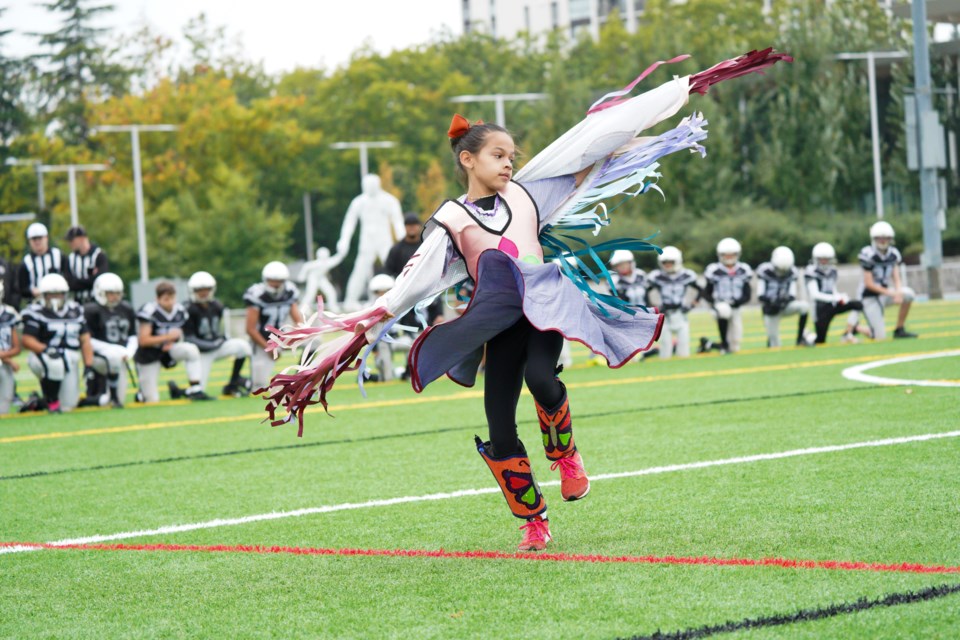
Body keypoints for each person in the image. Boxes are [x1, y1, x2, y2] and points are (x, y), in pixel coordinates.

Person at [258, 49, 791, 551]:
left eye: (513, 155)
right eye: (497, 155)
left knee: (543, 377)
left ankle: (565, 456)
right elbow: (411, 283)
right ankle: (535, 523)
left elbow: (588, 148)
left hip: (545, 304)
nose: (509, 163)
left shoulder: (528, 193)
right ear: (468, 160)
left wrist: (675, 93)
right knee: (498, 423)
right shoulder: (450, 219)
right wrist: (365, 326)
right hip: (495, 320)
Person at [21, 274, 93, 413]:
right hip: (42, 355)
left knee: (68, 405)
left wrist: (88, 365)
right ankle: (52, 401)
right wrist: (46, 349)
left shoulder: (75, 310)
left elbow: (85, 339)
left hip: (70, 356)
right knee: (55, 363)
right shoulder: (35, 311)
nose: (56, 297)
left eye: (59, 294)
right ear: (44, 295)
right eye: (51, 294)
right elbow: (27, 340)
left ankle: (37, 402)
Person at [134, 280, 211, 402]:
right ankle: (141, 394)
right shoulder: (149, 310)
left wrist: (173, 342)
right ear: (158, 299)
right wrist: (166, 338)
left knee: (191, 349)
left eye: (172, 298)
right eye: (166, 299)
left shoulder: (180, 311)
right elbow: (143, 340)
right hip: (149, 354)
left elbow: (181, 334)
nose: (170, 302)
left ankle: (195, 388)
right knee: (152, 399)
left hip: (169, 350)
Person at [336, 174, 405, 307]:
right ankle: (351, 300)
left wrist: (402, 238)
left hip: (384, 239)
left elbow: (397, 220)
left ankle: (400, 295)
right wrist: (344, 240)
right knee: (360, 270)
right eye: (366, 187)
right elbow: (349, 222)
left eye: (371, 186)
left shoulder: (389, 200)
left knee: (393, 269)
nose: (369, 189)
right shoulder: (359, 202)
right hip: (367, 240)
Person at [181, 271, 253, 397]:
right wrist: (214, 343)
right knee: (198, 389)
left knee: (243, 347)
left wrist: (220, 339)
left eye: (206, 289)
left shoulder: (217, 306)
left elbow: (219, 331)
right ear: (193, 290)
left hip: (216, 346)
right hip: (200, 353)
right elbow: (189, 337)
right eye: (199, 289)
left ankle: (233, 382)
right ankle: (178, 391)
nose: (203, 292)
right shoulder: (188, 308)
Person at [244, 261, 304, 391]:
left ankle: (301, 378)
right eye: (272, 280)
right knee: (258, 388)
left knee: (313, 341)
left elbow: (298, 321)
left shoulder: (289, 291)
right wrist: (268, 347)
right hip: (263, 341)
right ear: (265, 279)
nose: (275, 284)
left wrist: (295, 337)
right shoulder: (256, 294)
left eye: (279, 280)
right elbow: (250, 329)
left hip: (282, 335)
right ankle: (245, 382)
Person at [84, 273, 137, 408]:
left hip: (121, 357)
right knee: (113, 356)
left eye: (117, 293)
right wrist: (115, 350)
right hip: (99, 357)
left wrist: (128, 352)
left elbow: (133, 335)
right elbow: (87, 339)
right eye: (110, 293)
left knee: (119, 398)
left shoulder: (126, 308)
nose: (115, 297)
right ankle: (111, 397)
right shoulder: (91, 310)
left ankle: (91, 401)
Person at [857, 221, 917, 340]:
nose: (883, 241)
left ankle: (899, 329)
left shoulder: (893, 254)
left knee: (908, 294)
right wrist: (891, 293)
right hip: (869, 298)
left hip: (884, 295)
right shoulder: (867, 253)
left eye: (885, 238)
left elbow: (896, 277)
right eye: (879, 238)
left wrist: (898, 292)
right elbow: (868, 284)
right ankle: (857, 328)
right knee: (880, 337)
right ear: (874, 238)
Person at [805, 242, 866, 344]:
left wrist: (840, 297)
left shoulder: (833, 271)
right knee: (820, 341)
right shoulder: (811, 271)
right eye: (821, 259)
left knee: (857, 305)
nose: (824, 262)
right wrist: (835, 298)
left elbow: (833, 289)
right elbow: (814, 295)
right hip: (820, 309)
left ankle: (848, 332)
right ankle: (807, 336)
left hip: (832, 305)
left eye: (826, 259)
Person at [645, 246, 699, 359]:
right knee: (665, 347)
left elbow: (700, 291)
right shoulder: (656, 276)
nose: (667, 265)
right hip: (665, 314)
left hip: (680, 313)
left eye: (670, 262)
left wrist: (692, 305)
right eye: (665, 262)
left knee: (684, 347)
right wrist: (654, 307)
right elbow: (647, 293)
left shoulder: (687, 275)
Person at [702, 237, 753, 353]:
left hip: (736, 307)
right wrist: (714, 303)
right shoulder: (713, 270)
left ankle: (708, 344)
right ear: (720, 255)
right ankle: (723, 344)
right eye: (726, 255)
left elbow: (748, 293)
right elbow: (706, 292)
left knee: (735, 344)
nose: (729, 258)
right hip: (720, 306)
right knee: (724, 310)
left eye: (732, 255)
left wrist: (738, 302)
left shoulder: (744, 269)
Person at [756, 246, 813, 348]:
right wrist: (772, 301)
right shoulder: (764, 270)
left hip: (785, 306)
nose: (781, 273)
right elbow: (760, 295)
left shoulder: (792, 271)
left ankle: (800, 339)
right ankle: (770, 340)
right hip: (771, 309)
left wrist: (784, 300)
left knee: (804, 306)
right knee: (775, 345)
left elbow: (792, 294)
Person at [18, 222, 63, 305]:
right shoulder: (26, 261)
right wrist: (32, 291)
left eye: (40, 238)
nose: (37, 242)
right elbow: (22, 289)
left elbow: (69, 278)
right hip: (36, 304)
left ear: (46, 238)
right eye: (34, 239)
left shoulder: (58, 256)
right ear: (29, 241)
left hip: (59, 302)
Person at [64, 225, 108, 304]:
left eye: (71, 240)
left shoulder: (98, 255)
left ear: (81, 238)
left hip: (96, 302)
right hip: (77, 302)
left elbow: (100, 281)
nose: (69, 243)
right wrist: (89, 280)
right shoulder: (71, 258)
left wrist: (77, 281)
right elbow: (69, 283)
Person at [297, 247, 345, 313]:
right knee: (310, 294)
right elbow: (306, 266)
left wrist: (341, 253)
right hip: (313, 277)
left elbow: (337, 259)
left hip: (321, 278)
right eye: (322, 255)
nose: (324, 256)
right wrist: (302, 276)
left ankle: (332, 306)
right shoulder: (317, 263)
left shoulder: (328, 262)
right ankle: (303, 308)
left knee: (331, 292)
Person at [0, 281, 22, 413]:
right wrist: (8, 360)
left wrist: (5, 359)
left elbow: (17, 347)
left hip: (5, 365)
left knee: (3, 411)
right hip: (6, 362)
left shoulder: (9, 312)